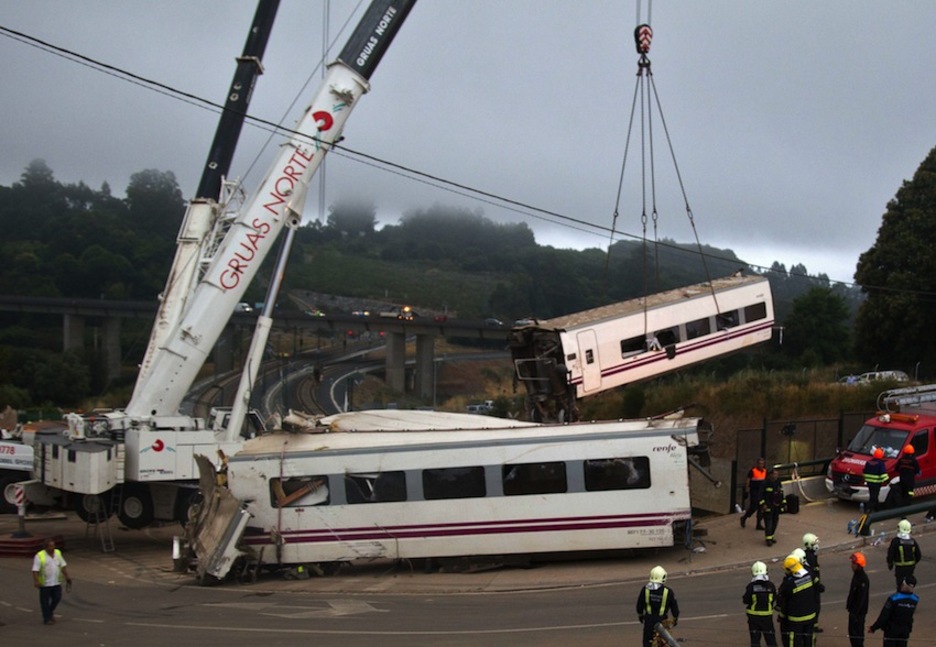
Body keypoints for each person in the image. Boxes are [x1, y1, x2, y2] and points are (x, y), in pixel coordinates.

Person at [777, 555, 819, 647]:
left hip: (795, 619)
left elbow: (784, 601)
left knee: (795, 641)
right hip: (810, 616)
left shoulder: (789, 583)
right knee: (809, 640)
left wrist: (782, 616)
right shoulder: (809, 575)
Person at [636, 565, 679, 647]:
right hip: (662, 621)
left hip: (649, 621)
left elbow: (639, 605)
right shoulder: (668, 591)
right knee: (662, 642)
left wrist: (640, 615)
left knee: (648, 642)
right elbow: (674, 608)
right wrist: (675, 619)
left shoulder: (645, 589)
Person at [869, 575, 918, 646]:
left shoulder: (894, 598)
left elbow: (884, 616)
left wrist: (874, 628)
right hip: (905, 630)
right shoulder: (915, 599)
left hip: (891, 630)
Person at [31, 538, 71, 625]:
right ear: (45, 547)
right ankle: (47, 619)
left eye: (53, 545)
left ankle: (49, 612)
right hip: (45, 584)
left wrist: (67, 576)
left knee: (57, 598)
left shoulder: (57, 553)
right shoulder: (39, 556)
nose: (52, 548)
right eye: (50, 546)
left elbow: (63, 566)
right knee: (44, 602)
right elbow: (35, 570)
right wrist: (36, 581)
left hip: (56, 582)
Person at [743, 560, 777, 646]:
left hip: (753, 618)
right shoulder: (771, 585)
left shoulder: (751, 586)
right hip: (767, 617)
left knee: (755, 640)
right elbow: (774, 598)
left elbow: (745, 600)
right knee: (770, 639)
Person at [887, 519, 921, 588]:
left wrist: (890, 564)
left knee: (900, 583)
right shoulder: (913, 541)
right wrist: (914, 563)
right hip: (910, 567)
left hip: (900, 568)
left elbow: (890, 554)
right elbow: (918, 555)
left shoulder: (895, 541)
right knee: (909, 581)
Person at [802, 533, 825, 633]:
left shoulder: (809, 555)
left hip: (811, 585)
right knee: (815, 606)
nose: (817, 545)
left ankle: (814, 625)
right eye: (814, 544)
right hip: (813, 587)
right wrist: (818, 585)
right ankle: (813, 626)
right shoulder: (810, 557)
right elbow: (812, 573)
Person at [847, 552, 870, 647]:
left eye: (853, 563)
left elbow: (861, 598)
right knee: (852, 633)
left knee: (857, 634)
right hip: (853, 611)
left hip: (858, 613)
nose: (851, 565)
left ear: (859, 565)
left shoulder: (863, 579)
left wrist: (855, 613)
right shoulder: (856, 575)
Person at [741, 457, 768, 530]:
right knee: (754, 507)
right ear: (757, 464)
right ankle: (744, 517)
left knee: (761, 507)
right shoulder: (753, 471)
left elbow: (766, 481)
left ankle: (758, 524)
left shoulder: (765, 471)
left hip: (761, 491)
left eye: (762, 464)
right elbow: (748, 481)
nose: (761, 465)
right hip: (754, 491)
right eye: (760, 463)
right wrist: (746, 491)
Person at [760, 468, 784, 546]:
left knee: (775, 522)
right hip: (768, 505)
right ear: (770, 475)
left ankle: (771, 536)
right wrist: (763, 504)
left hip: (776, 506)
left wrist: (782, 504)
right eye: (774, 474)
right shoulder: (765, 483)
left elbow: (781, 493)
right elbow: (760, 495)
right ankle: (768, 539)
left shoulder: (778, 482)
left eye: (777, 474)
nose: (776, 476)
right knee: (768, 523)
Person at [863, 447, 889, 514]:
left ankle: (877, 509)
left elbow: (864, 471)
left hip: (869, 482)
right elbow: (883, 474)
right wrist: (888, 481)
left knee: (873, 495)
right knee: (873, 497)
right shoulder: (880, 463)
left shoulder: (868, 462)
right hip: (876, 483)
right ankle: (868, 509)